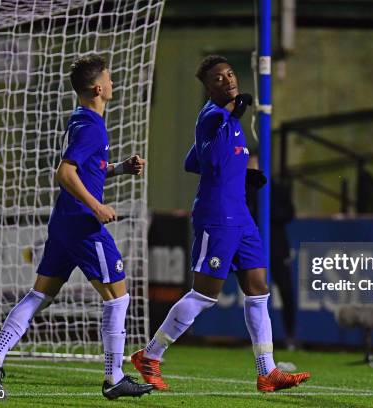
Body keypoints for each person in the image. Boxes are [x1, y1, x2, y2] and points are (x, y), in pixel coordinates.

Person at [0, 54, 153, 400]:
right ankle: (113, 377)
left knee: (41, 294)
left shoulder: (81, 119)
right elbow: (65, 172)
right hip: (83, 225)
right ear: (99, 88)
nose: (114, 84)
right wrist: (97, 205)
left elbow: (88, 167)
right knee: (119, 297)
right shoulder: (92, 126)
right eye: (110, 79)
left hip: (64, 223)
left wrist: (118, 169)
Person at [130, 55, 310, 392]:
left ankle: (267, 371)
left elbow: (192, 160)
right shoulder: (214, 115)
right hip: (217, 216)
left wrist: (238, 174)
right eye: (218, 78)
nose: (227, 80)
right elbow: (210, 144)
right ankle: (150, 356)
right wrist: (231, 114)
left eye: (229, 74)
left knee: (258, 289)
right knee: (205, 295)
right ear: (208, 88)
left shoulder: (228, 120)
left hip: (240, 214)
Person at [245, 153, 297, 350]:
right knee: (255, 293)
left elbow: (289, 213)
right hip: (254, 245)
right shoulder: (245, 187)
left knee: (286, 290)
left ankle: (290, 336)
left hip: (277, 247)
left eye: (255, 162)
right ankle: (258, 339)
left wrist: (267, 212)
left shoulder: (277, 188)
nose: (252, 165)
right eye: (250, 162)